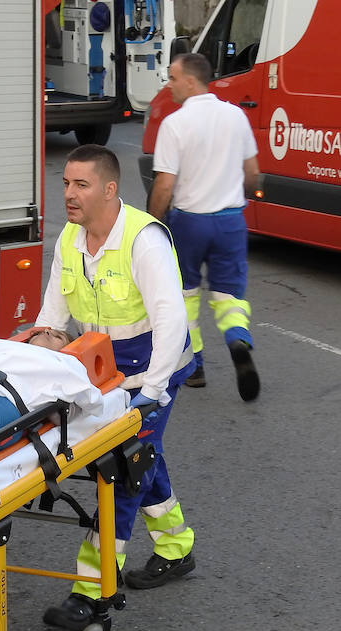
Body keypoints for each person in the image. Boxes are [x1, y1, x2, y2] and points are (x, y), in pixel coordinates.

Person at [36, 144, 196, 631]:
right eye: (65, 183)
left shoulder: (142, 239)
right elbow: (53, 312)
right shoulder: (70, 238)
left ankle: (90, 590)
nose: (68, 193)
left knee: (124, 467)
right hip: (105, 368)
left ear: (110, 190)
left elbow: (169, 318)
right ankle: (175, 546)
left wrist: (155, 389)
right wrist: (35, 363)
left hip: (153, 367)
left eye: (80, 184)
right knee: (145, 459)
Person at [148, 52, 260, 401]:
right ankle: (237, 338)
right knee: (230, 295)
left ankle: (195, 367)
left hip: (189, 223)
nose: (168, 84)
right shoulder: (236, 116)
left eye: (172, 78)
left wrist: (153, 225)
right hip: (230, 221)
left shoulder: (175, 124)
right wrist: (234, 196)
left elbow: (165, 185)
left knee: (186, 296)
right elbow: (253, 174)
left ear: (191, 81)